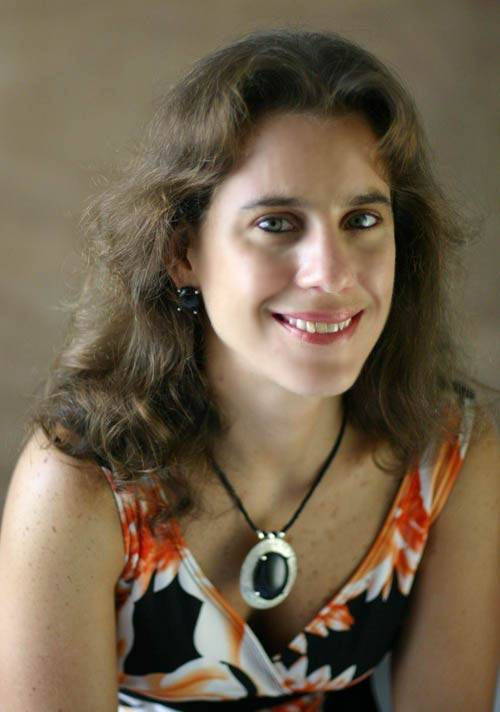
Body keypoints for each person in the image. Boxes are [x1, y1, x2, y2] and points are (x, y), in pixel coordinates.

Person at [0, 27, 498, 712]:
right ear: (183, 254)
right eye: (277, 223)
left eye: (361, 220)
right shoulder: (81, 483)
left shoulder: (452, 453)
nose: (331, 274)